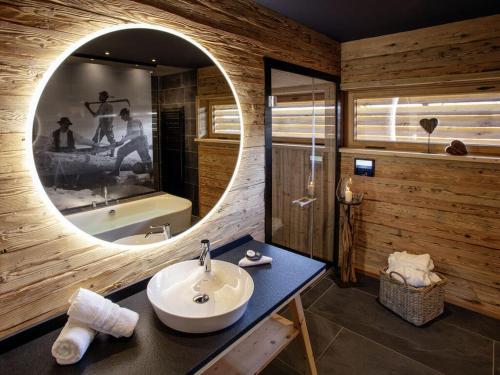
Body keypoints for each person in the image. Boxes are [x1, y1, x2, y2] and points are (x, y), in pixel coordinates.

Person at [109, 108, 152, 176]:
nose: (122, 118)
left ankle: (152, 175)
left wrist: (123, 140)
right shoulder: (130, 122)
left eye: (122, 116)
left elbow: (136, 134)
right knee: (121, 151)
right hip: (137, 142)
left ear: (126, 114)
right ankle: (116, 171)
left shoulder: (134, 121)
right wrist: (120, 142)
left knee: (146, 159)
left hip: (141, 141)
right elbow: (129, 135)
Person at [84, 91, 116, 155]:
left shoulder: (108, 105)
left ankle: (112, 154)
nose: (99, 97)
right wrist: (88, 107)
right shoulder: (101, 106)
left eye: (100, 96)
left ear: (104, 97)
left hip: (107, 126)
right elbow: (95, 115)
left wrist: (109, 126)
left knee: (111, 140)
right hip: (101, 126)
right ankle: (93, 153)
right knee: (95, 141)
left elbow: (111, 117)